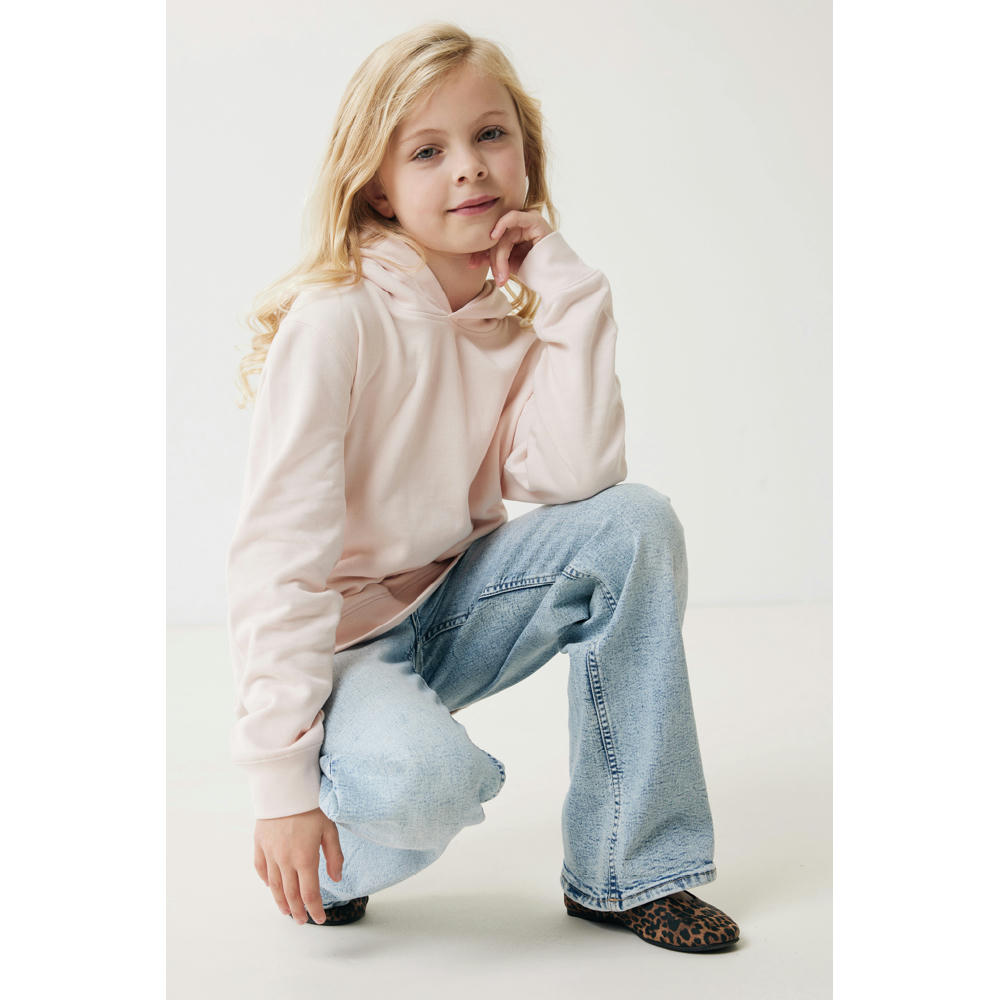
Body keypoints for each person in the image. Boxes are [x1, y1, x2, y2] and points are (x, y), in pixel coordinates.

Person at [226, 21, 740, 954]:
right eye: (428, 150)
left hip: (454, 603)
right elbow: (277, 561)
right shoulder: (336, 320)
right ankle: (335, 852)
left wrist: (574, 296)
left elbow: (578, 478)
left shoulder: (506, 320)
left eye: (490, 135)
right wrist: (281, 792)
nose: (469, 166)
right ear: (378, 186)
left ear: (524, 155)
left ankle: (626, 872)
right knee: (425, 785)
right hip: (345, 644)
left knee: (634, 524)